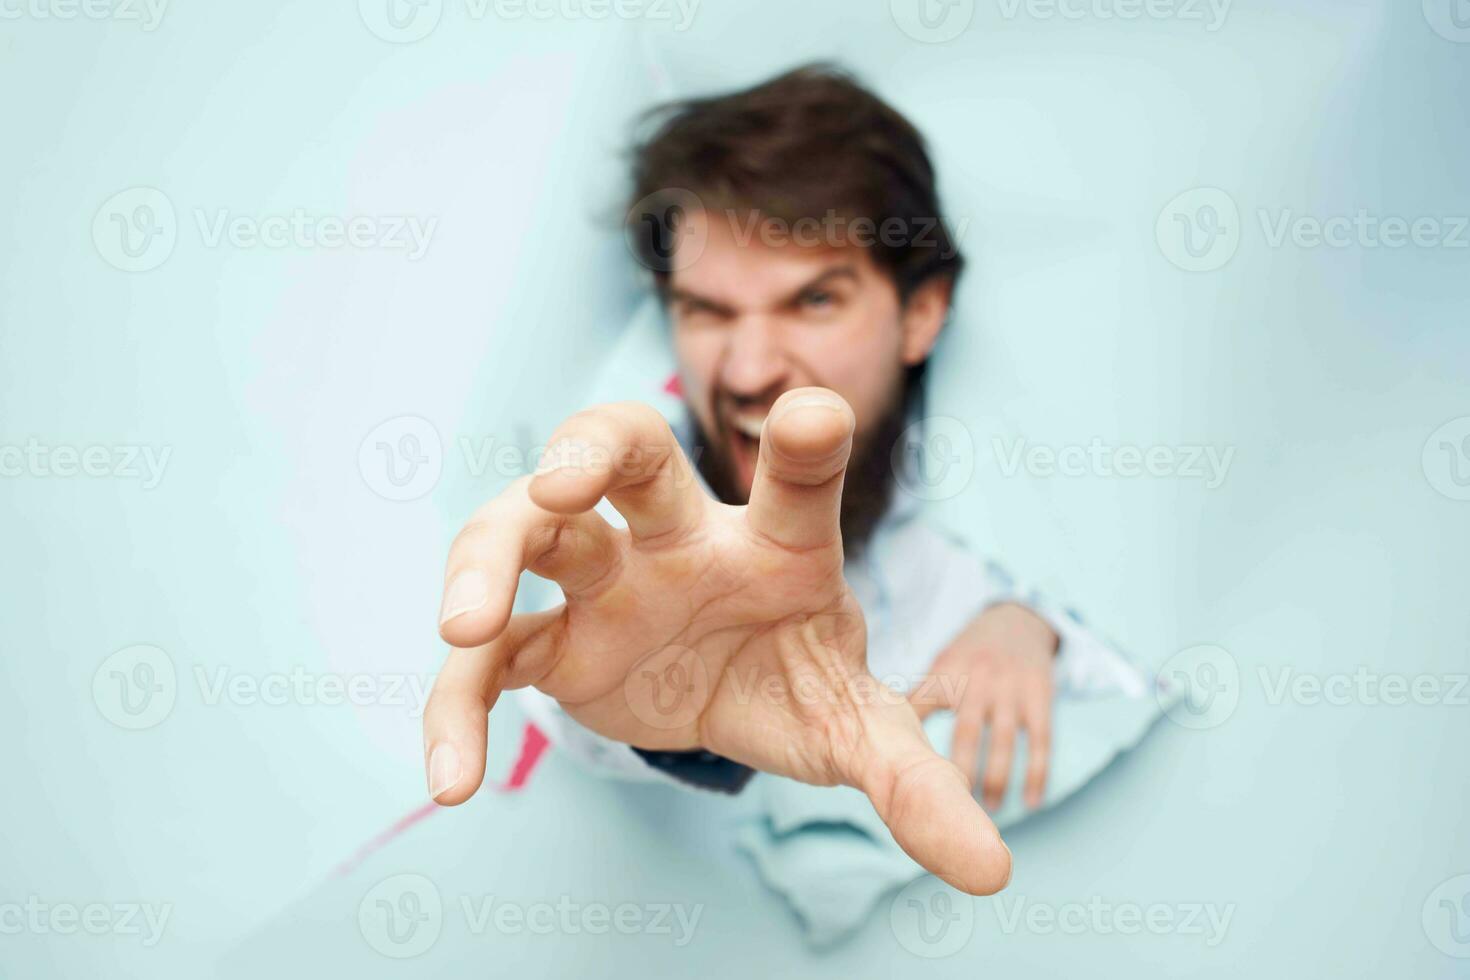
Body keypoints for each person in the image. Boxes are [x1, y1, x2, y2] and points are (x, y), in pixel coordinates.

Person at [422, 64, 1124, 897]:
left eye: (813, 301)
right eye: (707, 312)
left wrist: (1028, 627)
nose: (750, 371)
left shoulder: (991, 535)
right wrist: (671, 713)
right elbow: (577, 692)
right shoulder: (620, 507)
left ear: (922, 315)